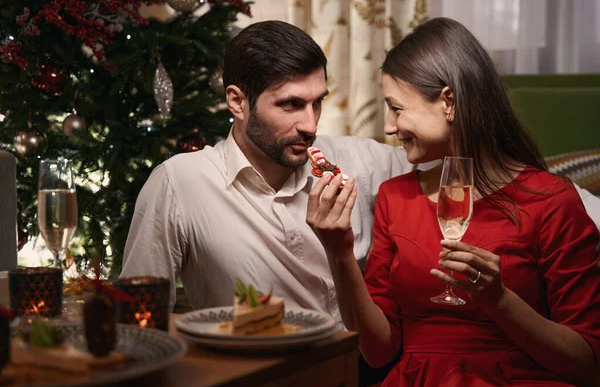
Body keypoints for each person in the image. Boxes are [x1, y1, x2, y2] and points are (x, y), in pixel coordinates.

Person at [307, 17, 600, 387]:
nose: (388, 127)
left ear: (448, 102)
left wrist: (498, 299)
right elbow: (378, 352)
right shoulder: (395, 198)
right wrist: (341, 254)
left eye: (397, 108)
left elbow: (587, 363)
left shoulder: (551, 200)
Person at [119, 20, 419, 325]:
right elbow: (137, 319)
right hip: (251, 367)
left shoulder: (359, 161)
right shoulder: (179, 184)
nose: (311, 125)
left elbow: (451, 169)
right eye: (291, 104)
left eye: (317, 103)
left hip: (362, 368)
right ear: (237, 102)